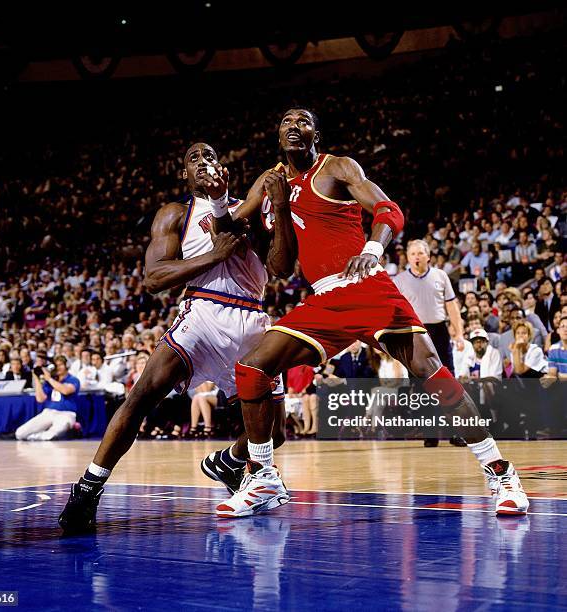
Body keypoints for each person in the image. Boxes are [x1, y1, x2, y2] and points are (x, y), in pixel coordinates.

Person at [211, 107, 529, 518]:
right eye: (286, 121)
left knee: (432, 372)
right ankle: (263, 477)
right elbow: (228, 228)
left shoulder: (338, 167)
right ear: (277, 136)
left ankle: (501, 472)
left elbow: (389, 210)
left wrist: (372, 249)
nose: (293, 126)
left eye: (302, 121)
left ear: (316, 135)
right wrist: (219, 198)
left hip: (366, 285)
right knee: (253, 368)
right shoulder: (270, 182)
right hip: (323, 298)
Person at [59, 142, 288, 533]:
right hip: (201, 314)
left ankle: (229, 462)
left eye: (211, 156)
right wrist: (213, 256)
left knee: (276, 433)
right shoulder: (174, 214)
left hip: (251, 320)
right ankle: (88, 487)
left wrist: (279, 208)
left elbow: (280, 267)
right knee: (140, 396)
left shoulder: (249, 207)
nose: (204, 162)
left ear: (224, 166)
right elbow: (153, 279)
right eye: (195, 159)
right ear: (184, 174)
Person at [393, 239, 466, 447]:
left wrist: (459, 333)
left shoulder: (440, 276)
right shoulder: (399, 280)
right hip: (414, 334)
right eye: (412, 254)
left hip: (439, 331)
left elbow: (452, 307)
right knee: (421, 386)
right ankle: (430, 433)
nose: (416, 257)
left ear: (428, 256)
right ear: (408, 258)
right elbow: (395, 312)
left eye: (420, 253)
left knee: (448, 382)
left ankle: (456, 432)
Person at [16, 356, 80, 441]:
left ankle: (36, 437)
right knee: (20, 433)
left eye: (60, 365)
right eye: (56, 365)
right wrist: (36, 379)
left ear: (66, 366)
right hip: (48, 412)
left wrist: (49, 378)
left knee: (51, 435)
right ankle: (39, 437)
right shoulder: (49, 381)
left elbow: (65, 390)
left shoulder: (73, 379)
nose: (58, 368)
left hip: (66, 413)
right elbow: (40, 399)